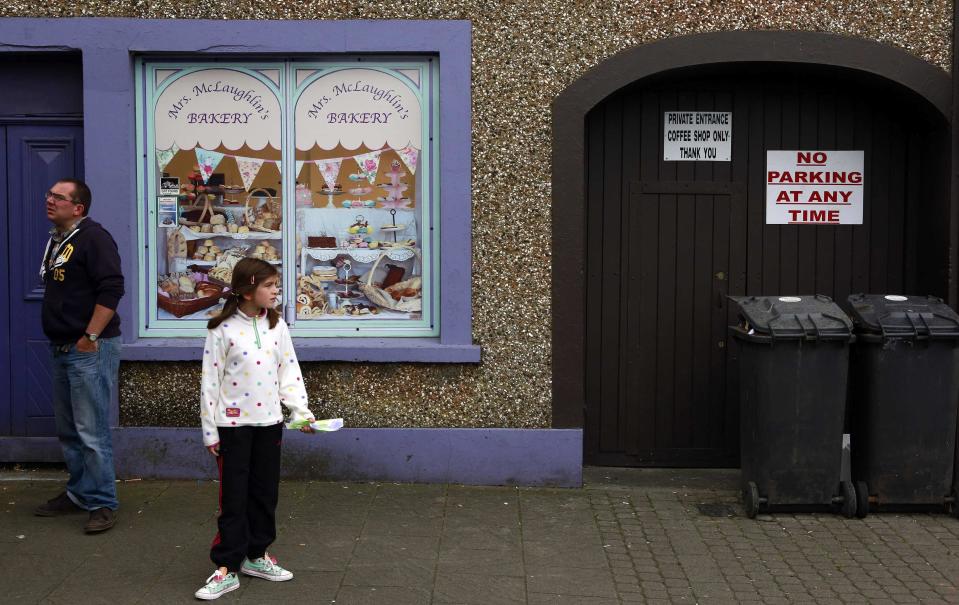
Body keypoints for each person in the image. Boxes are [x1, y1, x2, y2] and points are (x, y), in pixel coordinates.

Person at [194, 258, 315, 600]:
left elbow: (289, 373)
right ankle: (226, 567)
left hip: (269, 425)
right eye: (270, 285)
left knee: (265, 494)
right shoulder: (221, 329)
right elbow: (210, 383)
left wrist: (300, 413)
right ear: (248, 290)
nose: (277, 290)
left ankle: (257, 556)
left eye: (277, 284)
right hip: (232, 427)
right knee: (234, 497)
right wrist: (210, 432)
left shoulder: (278, 326)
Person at [33, 178, 124, 534]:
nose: (49, 200)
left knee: (91, 430)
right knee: (69, 430)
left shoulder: (95, 238)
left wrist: (90, 336)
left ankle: (103, 502)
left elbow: (112, 288)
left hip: (88, 348)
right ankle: (79, 493)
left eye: (58, 196)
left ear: (78, 207)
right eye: (49, 194)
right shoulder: (59, 240)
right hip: (61, 347)